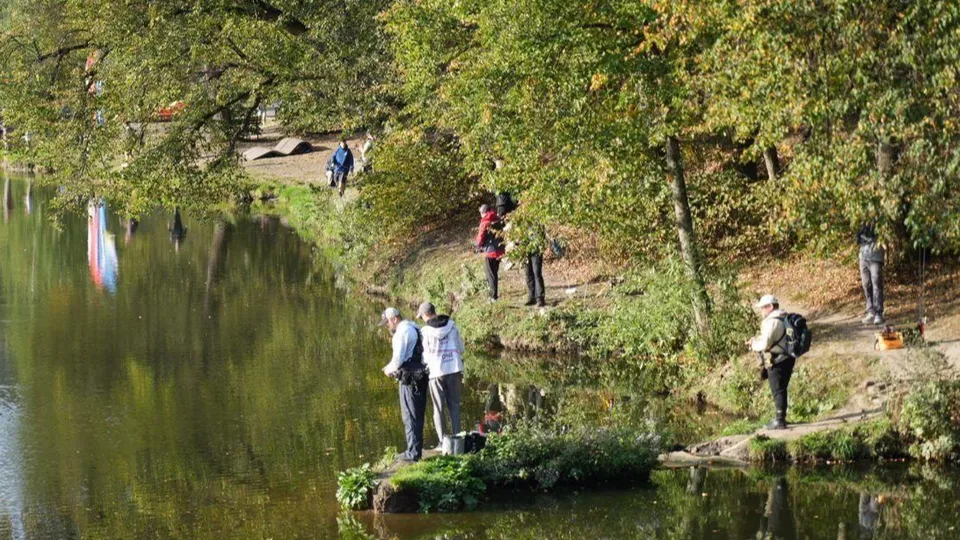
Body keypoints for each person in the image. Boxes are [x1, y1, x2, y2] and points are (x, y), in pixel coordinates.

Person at [380, 307, 428, 462]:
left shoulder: (401, 333)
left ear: (394, 319)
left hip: (409, 378)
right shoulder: (414, 327)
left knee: (409, 415)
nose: (387, 326)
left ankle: (413, 453)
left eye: (387, 322)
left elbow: (398, 358)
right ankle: (415, 450)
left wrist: (388, 370)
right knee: (417, 414)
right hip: (419, 374)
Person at [417, 302, 465, 448]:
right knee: (455, 406)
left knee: (438, 408)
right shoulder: (452, 325)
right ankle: (458, 441)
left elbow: (423, 356)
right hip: (454, 369)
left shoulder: (424, 332)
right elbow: (461, 349)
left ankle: (443, 443)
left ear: (426, 315)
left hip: (436, 372)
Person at [748, 294, 794, 430]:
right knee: (782, 388)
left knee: (777, 390)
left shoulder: (771, 321)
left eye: (763, 308)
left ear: (770, 307)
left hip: (778, 359)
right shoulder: (784, 316)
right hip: (789, 357)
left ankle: (779, 421)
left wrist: (753, 344)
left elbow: (765, 343)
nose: (761, 311)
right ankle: (781, 417)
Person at [474, 204, 505, 301]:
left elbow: (480, 238)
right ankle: (494, 294)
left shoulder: (484, 222)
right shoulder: (498, 219)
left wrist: (477, 246)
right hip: (500, 250)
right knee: (494, 273)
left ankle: (493, 297)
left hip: (490, 252)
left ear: (483, 212)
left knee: (490, 275)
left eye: (480, 213)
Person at [858, 224, 885, 325]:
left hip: (876, 257)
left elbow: (883, 235)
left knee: (876, 283)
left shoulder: (879, 220)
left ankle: (878, 313)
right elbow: (858, 238)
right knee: (866, 284)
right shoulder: (862, 221)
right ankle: (871, 311)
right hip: (863, 257)